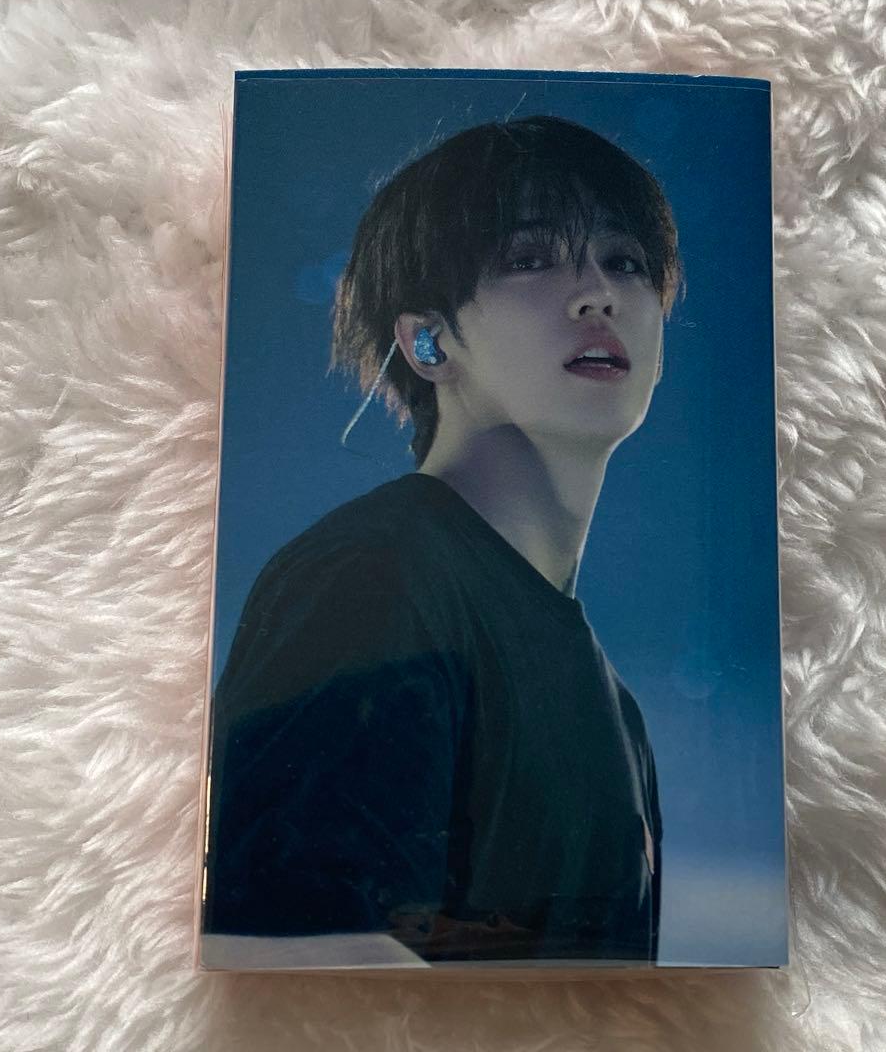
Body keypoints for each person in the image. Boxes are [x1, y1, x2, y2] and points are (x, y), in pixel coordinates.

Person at [201, 115, 683, 965]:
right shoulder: (371, 577)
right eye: (530, 258)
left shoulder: (622, 713)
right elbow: (297, 952)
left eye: (626, 261)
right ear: (427, 342)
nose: (598, 294)